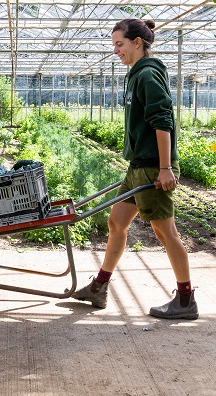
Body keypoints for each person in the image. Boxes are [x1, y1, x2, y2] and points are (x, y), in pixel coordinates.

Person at [71, 18, 197, 319]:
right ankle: (99, 287)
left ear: (137, 42)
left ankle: (185, 300)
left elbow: (163, 120)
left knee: (166, 233)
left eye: (120, 44)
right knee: (116, 222)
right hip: (138, 166)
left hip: (154, 167)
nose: (116, 50)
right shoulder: (136, 74)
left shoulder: (148, 75)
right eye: (114, 44)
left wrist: (166, 168)